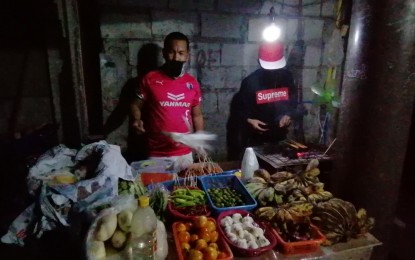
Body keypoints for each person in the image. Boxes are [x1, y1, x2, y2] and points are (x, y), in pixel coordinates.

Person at [130, 32, 204, 167]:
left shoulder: (192, 83)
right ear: (164, 53)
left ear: (187, 56)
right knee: (158, 188)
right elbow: (135, 104)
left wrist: (199, 142)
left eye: (181, 53)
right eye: (171, 52)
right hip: (156, 154)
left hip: (184, 153)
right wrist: (136, 119)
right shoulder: (150, 79)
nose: (176, 57)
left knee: (186, 187)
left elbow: (197, 115)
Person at [227, 41, 297, 159]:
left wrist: (288, 115)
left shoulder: (287, 77)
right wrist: (250, 120)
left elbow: (293, 101)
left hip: (279, 138)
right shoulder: (250, 82)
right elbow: (239, 110)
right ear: (259, 62)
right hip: (255, 140)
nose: (273, 72)